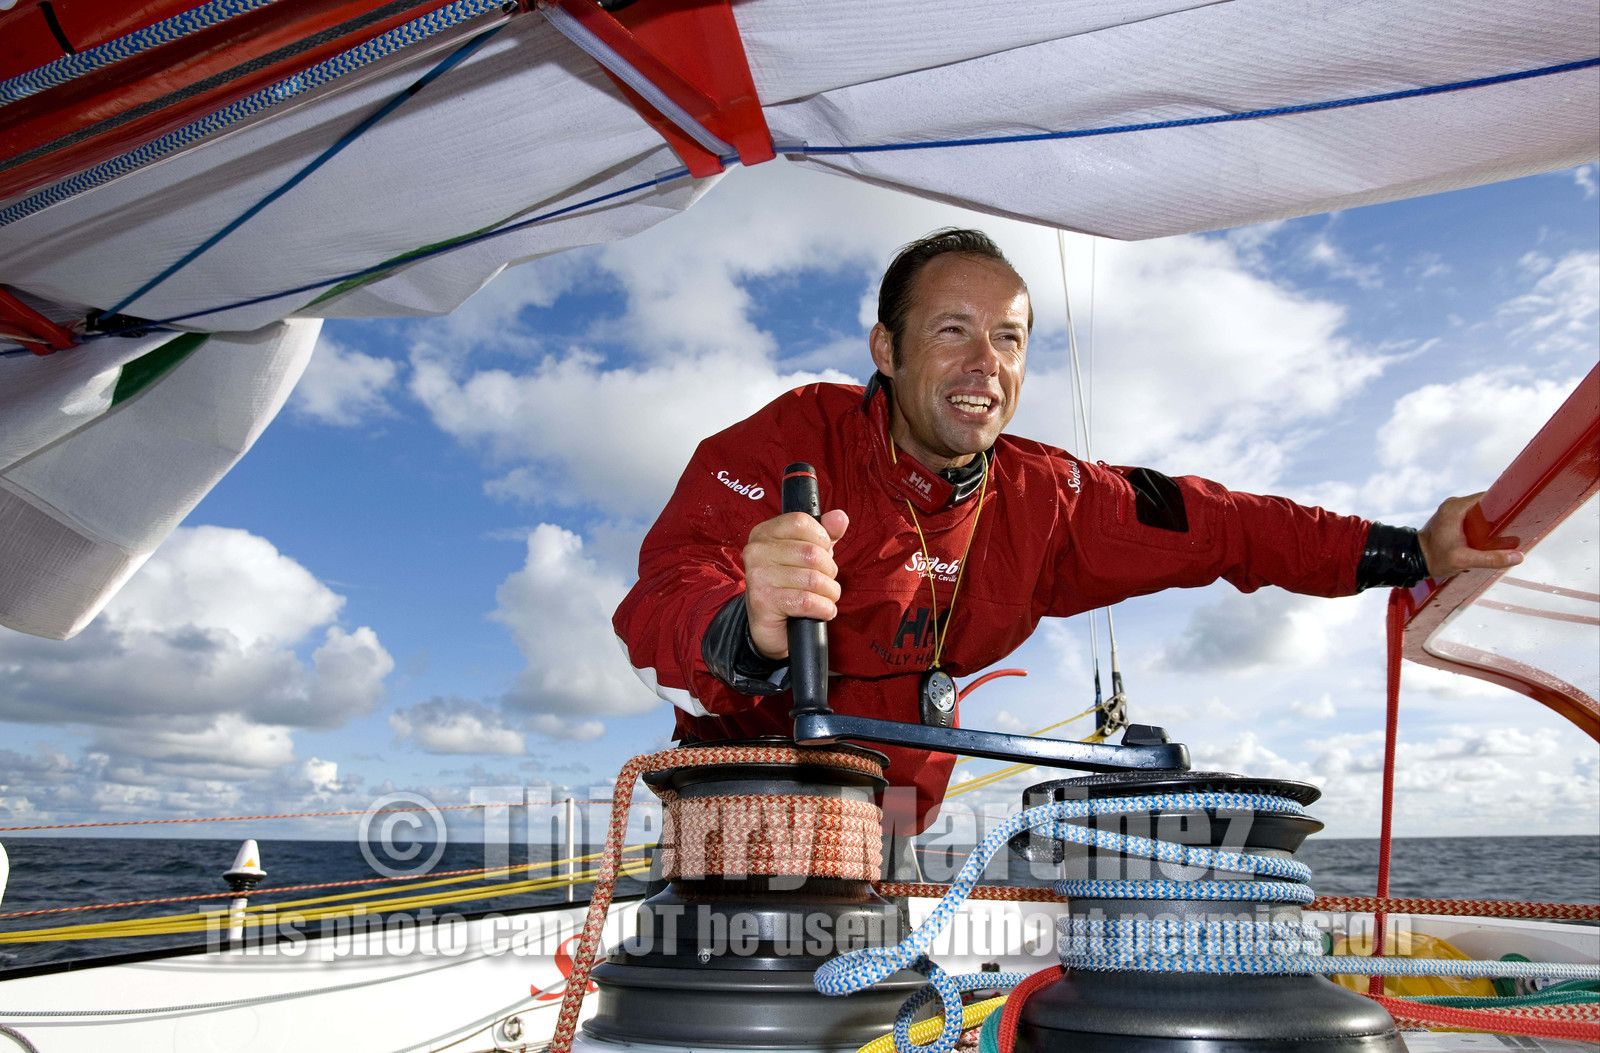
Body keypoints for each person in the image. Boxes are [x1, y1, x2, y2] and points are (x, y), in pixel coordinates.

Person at [611, 228, 1520, 838]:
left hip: (891, 832)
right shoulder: (790, 443)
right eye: (953, 330)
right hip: (740, 818)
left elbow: (1224, 526)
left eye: (1008, 339)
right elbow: (659, 598)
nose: (985, 364)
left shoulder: (1044, 497)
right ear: (885, 350)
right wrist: (746, 625)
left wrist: (1409, 551)